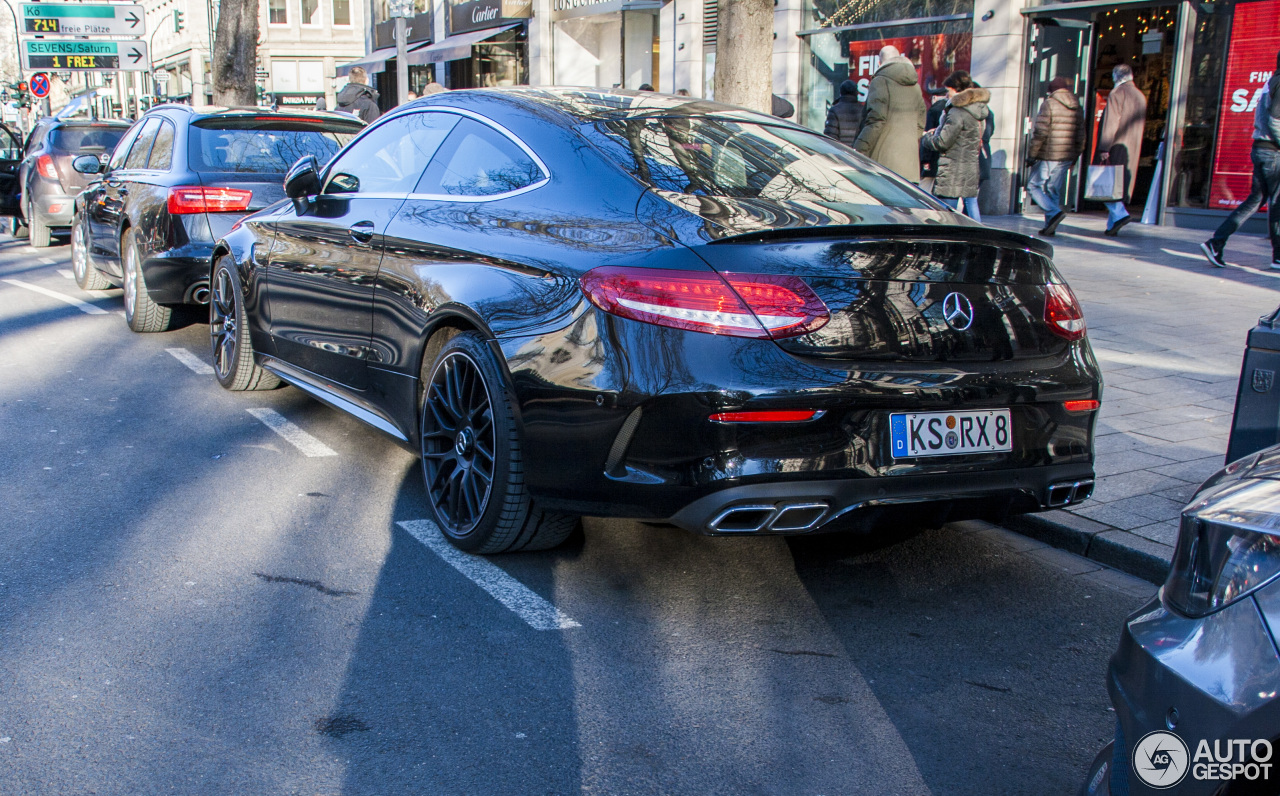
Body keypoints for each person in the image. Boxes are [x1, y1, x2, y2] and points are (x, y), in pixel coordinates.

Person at [1201, 49, 1280, 269]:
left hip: (1262, 150)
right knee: (1277, 204)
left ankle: (1216, 243)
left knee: (1255, 201)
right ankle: (1278, 257)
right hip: (1273, 152)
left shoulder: (1270, 82)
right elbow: (1274, 120)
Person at [921, 70, 990, 221]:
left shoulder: (957, 112)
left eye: (948, 90)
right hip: (970, 165)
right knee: (971, 206)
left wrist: (926, 137)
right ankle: (978, 237)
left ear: (957, 90)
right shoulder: (979, 110)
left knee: (948, 213)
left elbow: (942, 141)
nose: (946, 95)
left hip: (953, 167)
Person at [853, 45, 927, 182]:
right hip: (910, 164)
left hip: (884, 163)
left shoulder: (880, 81)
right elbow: (921, 121)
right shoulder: (915, 86)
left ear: (880, 63)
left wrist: (859, 149)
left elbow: (876, 120)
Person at [1026, 76, 1085, 237]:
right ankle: (1050, 226)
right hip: (1066, 155)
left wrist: (1032, 154)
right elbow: (1081, 135)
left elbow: (1040, 132)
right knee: (1053, 189)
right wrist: (1075, 155)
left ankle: (1054, 212)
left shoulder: (1049, 104)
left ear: (1051, 90)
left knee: (1033, 185)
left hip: (1049, 153)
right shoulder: (1077, 106)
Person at [1094, 63, 1146, 236]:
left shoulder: (1117, 93)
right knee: (1116, 185)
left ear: (1116, 76)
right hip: (1132, 147)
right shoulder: (1140, 95)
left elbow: (1111, 122)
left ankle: (1120, 214)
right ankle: (1112, 226)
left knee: (1104, 185)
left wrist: (1104, 146)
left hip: (1116, 145)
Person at [919, 86, 948, 192]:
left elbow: (927, 135)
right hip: (944, 158)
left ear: (934, 97)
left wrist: (925, 159)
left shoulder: (933, 110)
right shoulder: (950, 110)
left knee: (924, 189)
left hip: (932, 156)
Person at [824, 79, 864, 147]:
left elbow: (830, 137)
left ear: (841, 93)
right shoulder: (863, 110)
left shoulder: (834, 110)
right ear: (856, 93)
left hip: (841, 154)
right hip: (858, 153)